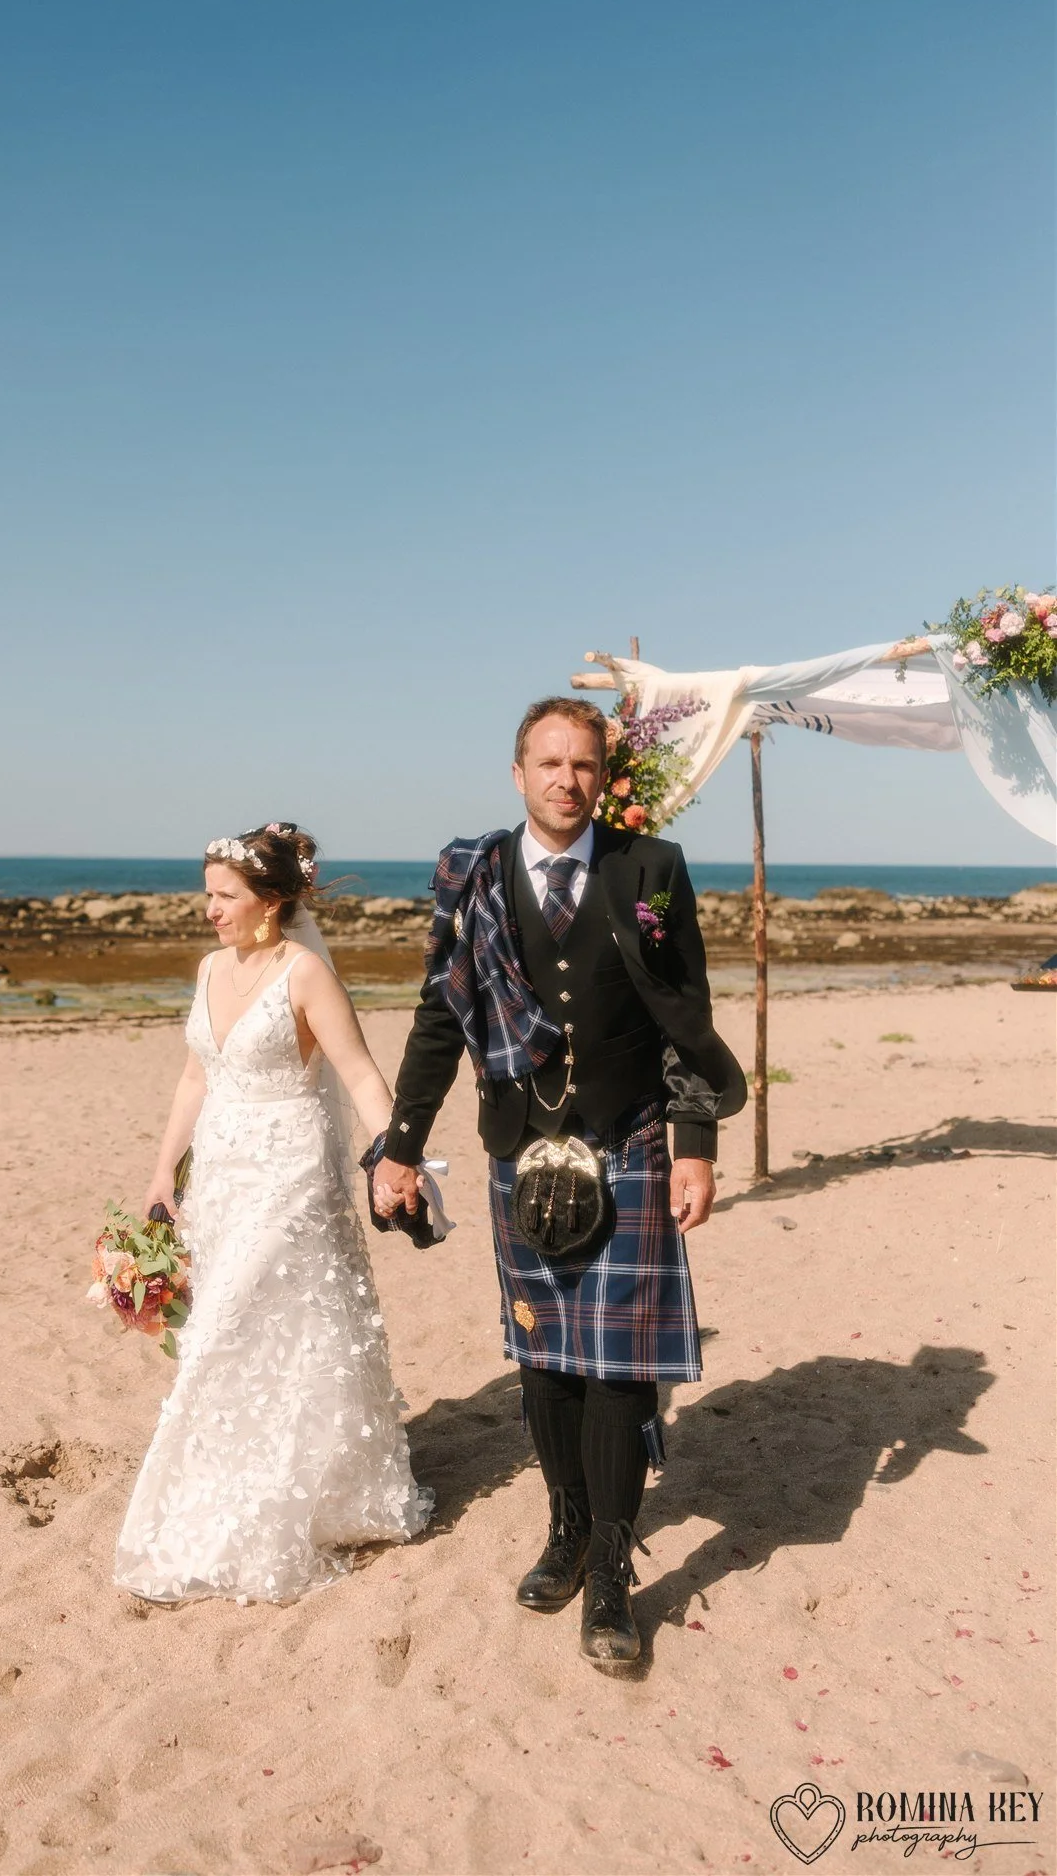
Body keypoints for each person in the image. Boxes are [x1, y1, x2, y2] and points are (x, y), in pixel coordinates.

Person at [372, 699, 746, 1672]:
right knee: (543, 1357)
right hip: (520, 1149)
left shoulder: (650, 869)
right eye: (549, 762)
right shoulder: (475, 877)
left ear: (602, 776)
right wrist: (401, 1143)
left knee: (618, 1368)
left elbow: (682, 1004)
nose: (565, 780)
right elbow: (440, 1018)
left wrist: (696, 1141)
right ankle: (568, 1526)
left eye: (582, 764)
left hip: (631, 1140)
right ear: (518, 772)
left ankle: (612, 1567)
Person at [114, 823, 431, 1604]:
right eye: (208, 895)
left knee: (227, 1327)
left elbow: (360, 1075)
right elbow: (196, 1078)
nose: (209, 910)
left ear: (271, 901)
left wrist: (396, 1156)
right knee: (257, 1334)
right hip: (220, 1177)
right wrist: (162, 1173)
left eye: (224, 897)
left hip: (291, 1174)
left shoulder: (306, 973)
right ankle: (251, 1478)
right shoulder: (208, 969)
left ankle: (261, 1512)